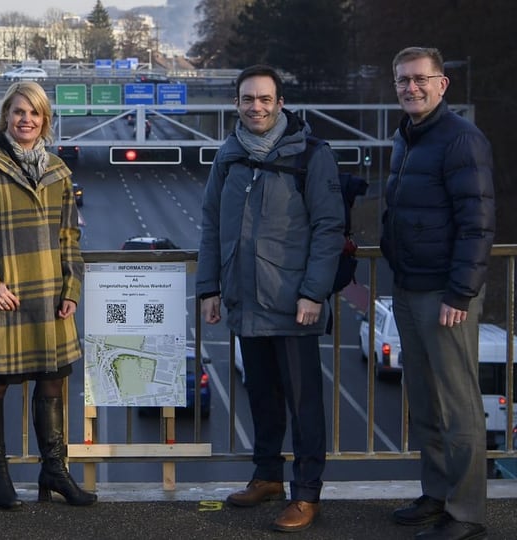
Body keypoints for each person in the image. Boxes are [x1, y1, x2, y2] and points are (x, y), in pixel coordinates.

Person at [196, 65, 345, 533]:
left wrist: (313, 292)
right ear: (236, 104)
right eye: (247, 99)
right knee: (261, 394)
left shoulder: (311, 155)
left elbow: (329, 229)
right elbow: (211, 224)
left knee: (304, 405)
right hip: (244, 298)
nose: (255, 107)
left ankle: (306, 494)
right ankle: (267, 476)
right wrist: (209, 287)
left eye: (264, 99)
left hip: (293, 301)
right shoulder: (230, 155)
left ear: (280, 103)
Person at [0, 81, 96, 510]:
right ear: (6, 116)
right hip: (6, 296)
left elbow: (70, 236)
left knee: (53, 381)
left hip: (50, 296)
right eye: (18, 112)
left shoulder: (59, 171)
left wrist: (72, 287)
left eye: (33, 113)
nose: (26, 120)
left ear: (44, 120)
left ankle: (54, 470)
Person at [382, 47, 494, 540]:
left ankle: (466, 513)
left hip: (446, 295)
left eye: (420, 79)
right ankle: (436, 494)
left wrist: (460, 293)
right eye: (403, 81)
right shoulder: (405, 138)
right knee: (425, 402)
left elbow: (478, 223)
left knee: (457, 404)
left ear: (442, 84)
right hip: (409, 287)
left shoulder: (461, 140)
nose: (411, 88)